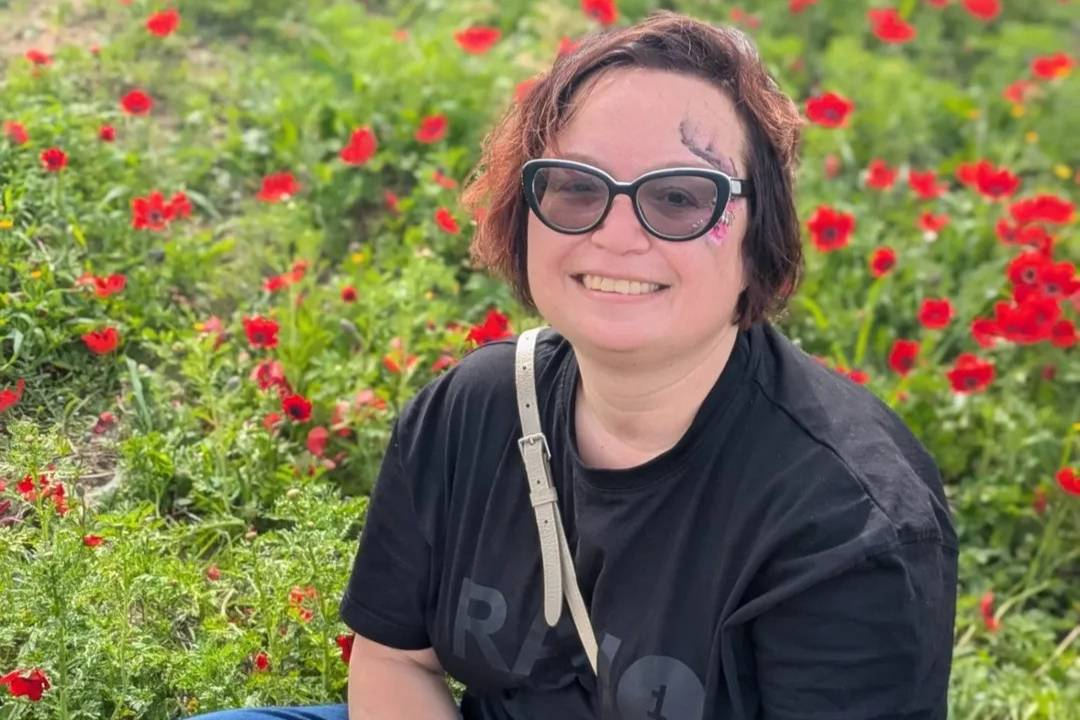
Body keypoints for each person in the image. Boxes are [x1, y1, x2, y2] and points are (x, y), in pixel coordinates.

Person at [192, 10, 958, 720]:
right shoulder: (475, 408)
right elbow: (397, 659)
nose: (616, 235)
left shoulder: (848, 526)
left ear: (762, 238)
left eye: (680, 198)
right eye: (576, 187)